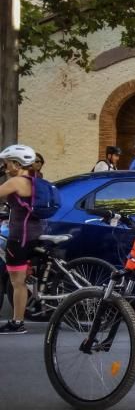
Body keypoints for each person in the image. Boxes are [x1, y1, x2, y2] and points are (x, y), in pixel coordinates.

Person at [0, 144, 43, 335]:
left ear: (17, 164)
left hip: (19, 238)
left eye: (7, 163)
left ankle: (17, 322)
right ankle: (18, 319)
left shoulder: (16, 182)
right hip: (35, 234)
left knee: (17, 283)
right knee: (22, 280)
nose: (5, 167)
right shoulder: (34, 180)